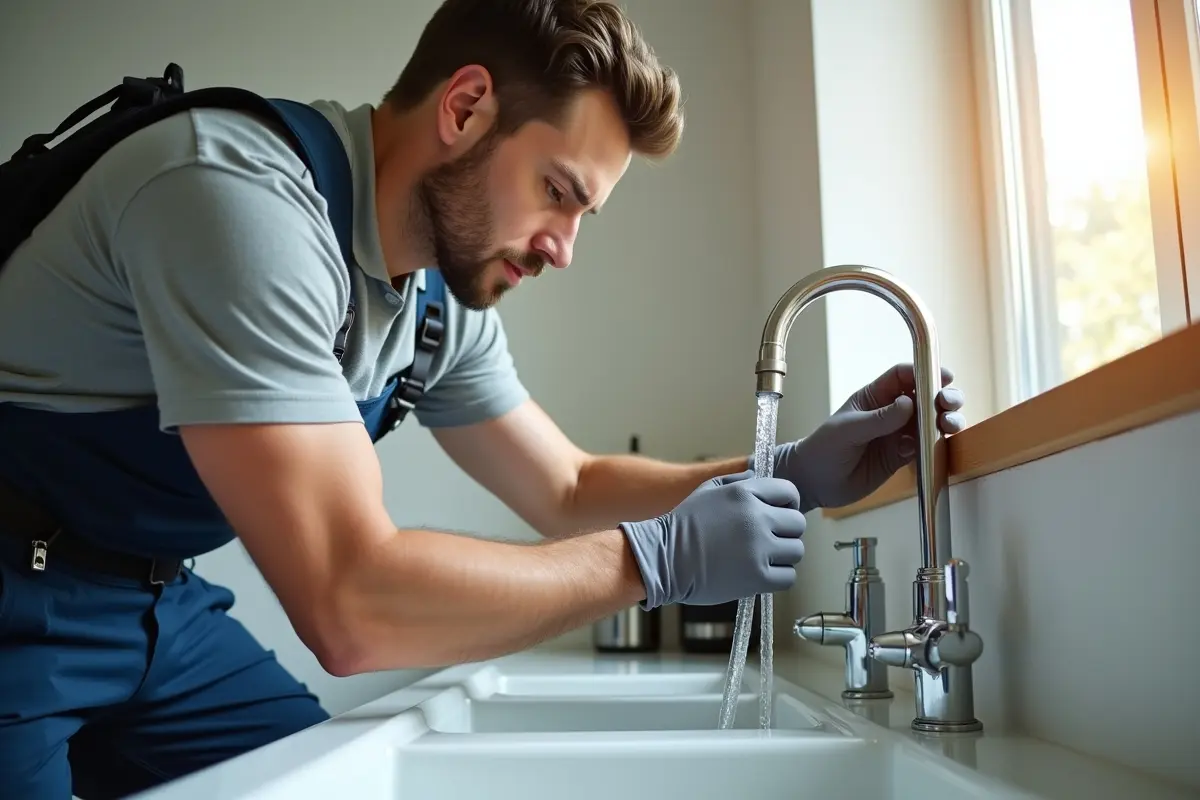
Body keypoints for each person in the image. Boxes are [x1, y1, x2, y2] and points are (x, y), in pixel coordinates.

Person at [0, 0, 966, 796]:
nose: (563, 247)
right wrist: (655, 561)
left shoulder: (433, 307)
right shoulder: (236, 200)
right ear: (464, 109)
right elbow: (350, 602)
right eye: (557, 191)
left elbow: (571, 486)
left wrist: (789, 471)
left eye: (584, 214)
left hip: (157, 607)